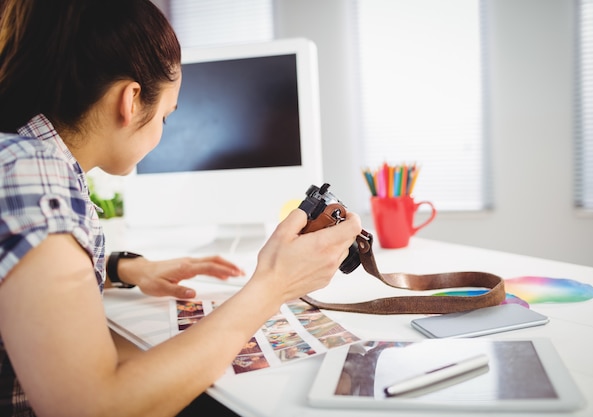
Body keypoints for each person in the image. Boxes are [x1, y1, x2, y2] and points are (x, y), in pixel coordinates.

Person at [0, 1, 362, 416]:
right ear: (131, 100)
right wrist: (273, 286)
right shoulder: (36, 175)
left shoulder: (20, 158)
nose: (163, 131)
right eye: (167, 117)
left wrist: (122, 268)